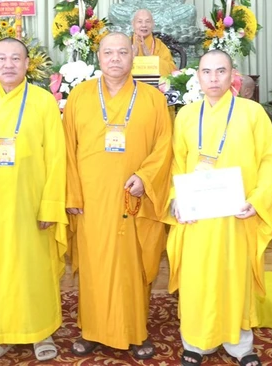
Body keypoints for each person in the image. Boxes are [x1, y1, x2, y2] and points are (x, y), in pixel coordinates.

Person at [167, 50, 272, 366]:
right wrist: (176, 199)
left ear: (232, 75)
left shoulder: (252, 112)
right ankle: (195, 342)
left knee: (235, 278)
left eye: (221, 71)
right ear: (198, 77)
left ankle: (240, 345)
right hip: (197, 217)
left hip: (236, 214)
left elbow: (271, 160)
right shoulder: (186, 115)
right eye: (207, 72)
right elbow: (176, 162)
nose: (214, 78)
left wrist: (257, 200)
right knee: (197, 279)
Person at [63, 32, 172, 359]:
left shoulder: (153, 99)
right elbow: (66, 150)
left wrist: (145, 177)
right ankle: (92, 330)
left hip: (133, 199)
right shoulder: (79, 96)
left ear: (132, 57)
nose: (115, 58)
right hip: (91, 202)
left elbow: (164, 147)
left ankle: (135, 331)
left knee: (132, 266)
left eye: (122, 52)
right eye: (108, 52)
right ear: (98, 57)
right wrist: (72, 195)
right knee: (95, 266)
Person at [0, 37, 66, 362]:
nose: (9, 64)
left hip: (31, 204)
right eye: (2, 58)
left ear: (27, 64)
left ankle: (41, 331)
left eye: (16, 58)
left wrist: (50, 204)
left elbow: (57, 157)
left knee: (34, 268)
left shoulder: (43, 101)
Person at [131, 9, 177, 77]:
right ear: (133, 24)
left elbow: (172, 70)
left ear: (153, 24)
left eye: (147, 21)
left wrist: (150, 57)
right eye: (140, 21)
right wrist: (132, 56)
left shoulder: (160, 45)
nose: (144, 25)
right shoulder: (124, 44)